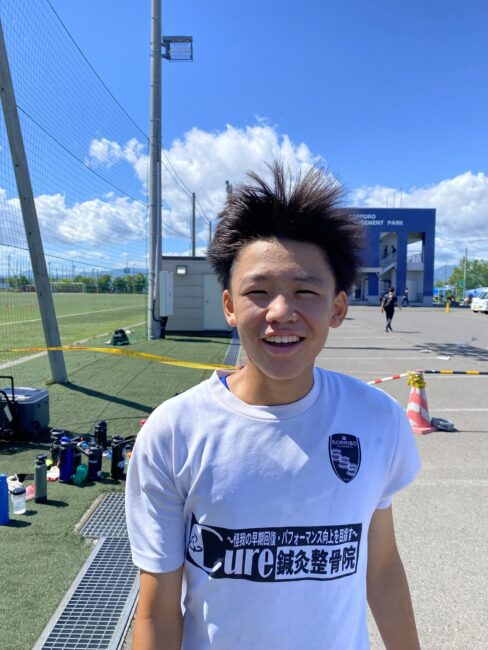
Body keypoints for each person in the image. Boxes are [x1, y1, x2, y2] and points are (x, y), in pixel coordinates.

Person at [125, 162, 421, 650]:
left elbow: (382, 565)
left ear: (338, 308)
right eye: (258, 292)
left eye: (305, 291)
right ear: (229, 305)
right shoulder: (174, 431)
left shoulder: (376, 419)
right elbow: (157, 609)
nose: (281, 312)